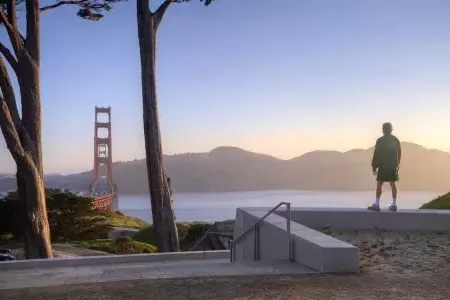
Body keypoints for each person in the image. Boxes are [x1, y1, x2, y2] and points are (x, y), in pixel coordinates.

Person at [368, 122, 401, 212]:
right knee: (393, 184)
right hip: (393, 166)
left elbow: (376, 153)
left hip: (383, 166)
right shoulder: (395, 140)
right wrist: (397, 164)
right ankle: (394, 205)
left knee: (379, 183)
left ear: (383, 129)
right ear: (391, 129)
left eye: (383, 128)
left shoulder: (380, 140)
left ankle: (377, 204)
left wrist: (374, 166)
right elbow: (399, 153)